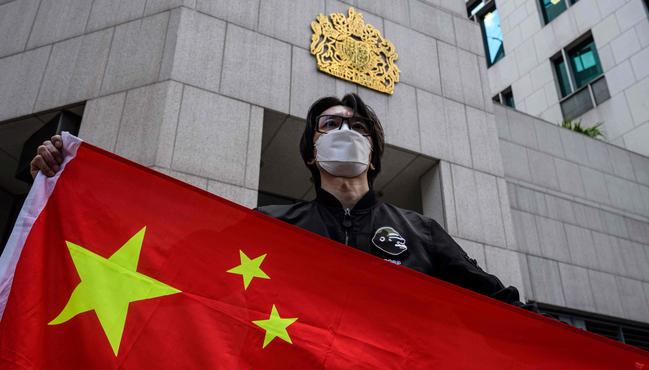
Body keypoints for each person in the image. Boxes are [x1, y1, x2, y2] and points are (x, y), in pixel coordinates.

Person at [30, 93, 523, 306]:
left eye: (357, 127)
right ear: (312, 148)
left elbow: (500, 305)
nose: (344, 131)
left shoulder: (421, 232)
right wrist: (65, 184)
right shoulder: (271, 225)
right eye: (331, 125)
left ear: (373, 151)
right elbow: (170, 253)